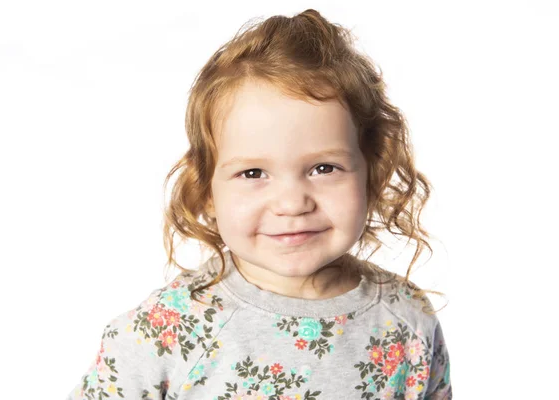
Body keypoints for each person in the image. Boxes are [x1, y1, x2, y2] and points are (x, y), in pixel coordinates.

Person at [66, 8, 451, 400]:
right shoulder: (167, 330)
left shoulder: (408, 319)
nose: (291, 203)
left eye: (323, 167)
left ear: (372, 172)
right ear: (205, 190)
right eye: (253, 173)